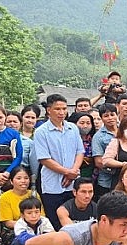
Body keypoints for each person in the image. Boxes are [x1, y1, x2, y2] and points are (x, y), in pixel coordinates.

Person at [34, 94, 85, 230]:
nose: (62, 112)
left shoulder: (73, 128)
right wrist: (67, 172)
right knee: (55, 223)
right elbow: (44, 159)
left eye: (64, 108)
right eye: (57, 109)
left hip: (72, 182)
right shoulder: (41, 132)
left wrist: (73, 172)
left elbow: (80, 151)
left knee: (73, 221)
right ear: (49, 110)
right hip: (52, 184)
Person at [0, 167, 41, 245]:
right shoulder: (5, 197)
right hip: (14, 229)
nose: (23, 181)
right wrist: (26, 225)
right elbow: (8, 222)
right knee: (19, 240)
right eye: (19, 178)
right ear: (11, 181)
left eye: (26, 178)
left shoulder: (34, 194)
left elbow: (41, 216)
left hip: (35, 225)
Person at [91, 103, 119, 199]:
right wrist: (118, 168)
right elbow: (99, 162)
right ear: (101, 118)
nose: (110, 118)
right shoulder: (98, 137)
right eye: (106, 116)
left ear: (117, 115)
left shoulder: (125, 130)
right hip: (107, 181)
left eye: (112, 114)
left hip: (126, 180)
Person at [5, 111, 38, 177]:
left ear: (20, 124)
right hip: (3, 175)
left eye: (15, 122)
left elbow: (34, 165)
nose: (12, 124)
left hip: (22, 175)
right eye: (9, 122)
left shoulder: (29, 142)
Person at [69, 112, 97, 179]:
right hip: (73, 171)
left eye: (88, 123)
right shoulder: (69, 139)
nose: (85, 126)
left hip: (92, 173)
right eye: (82, 123)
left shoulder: (95, 138)